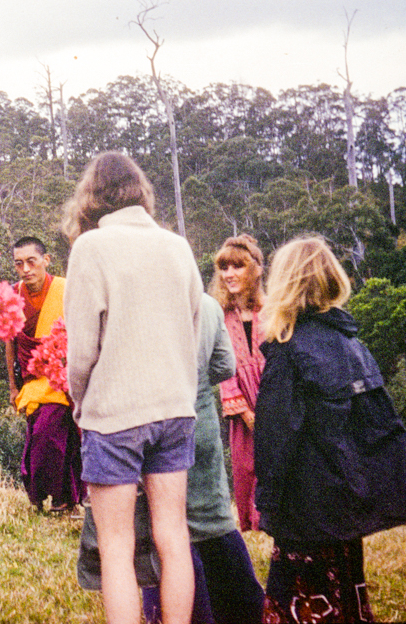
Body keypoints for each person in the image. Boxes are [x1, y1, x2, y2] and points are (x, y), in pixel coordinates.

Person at [62, 151, 202, 624]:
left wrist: (81, 406)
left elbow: (81, 351)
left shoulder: (91, 248)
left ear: (92, 197)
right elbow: (195, 327)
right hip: (176, 408)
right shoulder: (177, 246)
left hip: (115, 413)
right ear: (140, 191)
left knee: (116, 548)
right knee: (174, 535)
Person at [255, 236, 406, 623]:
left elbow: (274, 441)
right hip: (346, 501)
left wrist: (267, 503)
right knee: (346, 593)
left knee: (304, 604)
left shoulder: (287, 351)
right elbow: (381, 428)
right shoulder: (352, 343)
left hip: (305, 508)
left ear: (283, 284)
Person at [142, 294, 265, 624]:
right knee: (212, 515)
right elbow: (225, 365)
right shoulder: (206, 304)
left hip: (151, 420)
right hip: (200, 420)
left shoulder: (141, 304)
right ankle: (245, 610)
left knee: (166, 523)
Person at [4, 236, 84, 514]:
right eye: (19, 264)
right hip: (31, 382)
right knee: (41, 437)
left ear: (46, 261)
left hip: (62, 381)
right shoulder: (14, 295)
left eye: (31, 261)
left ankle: (59, 498)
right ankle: (50, 499)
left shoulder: (65, 288)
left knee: (50, 438)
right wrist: (13, 386)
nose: (26, 269)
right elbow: (10, 342)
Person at [210, 234, 265, 532]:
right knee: (245, 465)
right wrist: (245, 412)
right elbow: (222, 370)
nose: (229, 274)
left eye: (237, 267)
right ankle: (251, 524)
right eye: (224, 267)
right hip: (242, 407)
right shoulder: (219, 315)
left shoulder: (272, 311)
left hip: (274, 402)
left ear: (255, 269)